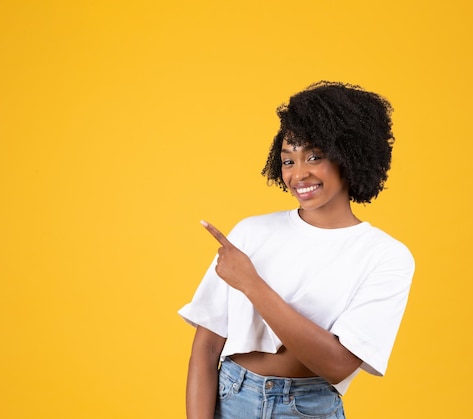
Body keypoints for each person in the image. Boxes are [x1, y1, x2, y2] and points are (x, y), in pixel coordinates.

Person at [178, 81, 415, 419]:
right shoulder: (251, 232)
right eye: (288, 161)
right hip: (230, 397)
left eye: (314, 157)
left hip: (308, 408)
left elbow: (338, 365)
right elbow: (205, 348)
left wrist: (251, 284)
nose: (298, 174)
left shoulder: (384, 256)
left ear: (349, 157)